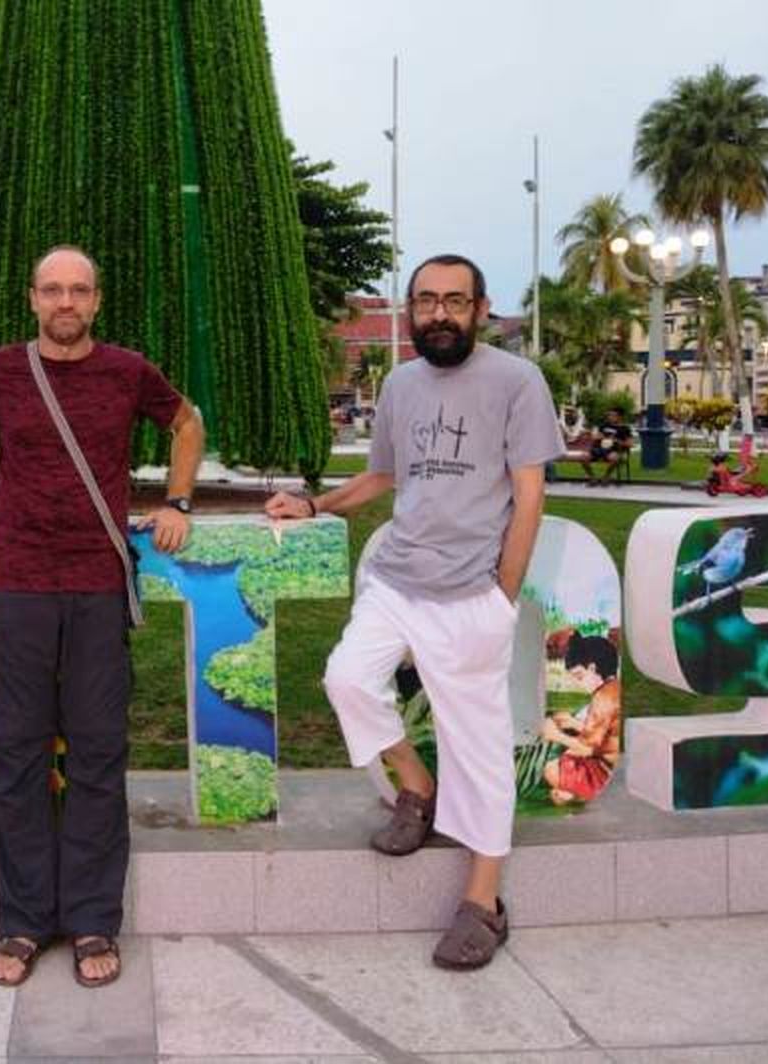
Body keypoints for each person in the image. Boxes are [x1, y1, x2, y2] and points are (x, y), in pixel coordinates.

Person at [0, 245, 204, 989]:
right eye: (52, 290)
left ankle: (95, 917)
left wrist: (178, 500)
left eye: (78, 290)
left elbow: (186, 422)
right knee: (19, 755)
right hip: (20, 583)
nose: (65, 302)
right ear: (33, 299)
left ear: (96, 300)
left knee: (99, 753)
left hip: (97, 585)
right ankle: (22, 920)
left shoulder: (128, 371)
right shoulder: (0, 370)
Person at [265, 253, 562, 970]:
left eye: (455, 301)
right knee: (346, 679)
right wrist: (314, 504)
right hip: (397, 581)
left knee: (478, 747)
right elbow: (382, 476)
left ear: (481, 309)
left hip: (471, 594)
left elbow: (530, 495)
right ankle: (416, 787)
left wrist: (502, 594)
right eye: (426, 301)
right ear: (410, 310)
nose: (439, 314)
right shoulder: (400, 383)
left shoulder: (518, 380)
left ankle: (483, 904)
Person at [540, 632, 621, 805]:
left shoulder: (603, 699)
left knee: (551, 770)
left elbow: (586, 749)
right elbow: (604, 732)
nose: (579, 683)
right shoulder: (614, 689)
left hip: (609, 772)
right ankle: (575, 791)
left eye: (579, 676)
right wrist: (573, 723)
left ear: (592, 668)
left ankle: (580, 793)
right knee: (567, 755)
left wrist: (555, 735)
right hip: (610, 761)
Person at [582, 408, 632, 485]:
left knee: (614, 458)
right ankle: (592, 477)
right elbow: (595, 437)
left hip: (614, 450)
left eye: (613, 415)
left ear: (620, 417)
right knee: (583, 456)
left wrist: (617, 441)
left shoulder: (625, 428)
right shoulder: (604, 426)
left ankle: (606, 476)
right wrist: (598, 437)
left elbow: (630, 444)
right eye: (609, 415)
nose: (610, 417)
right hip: (599, 449)